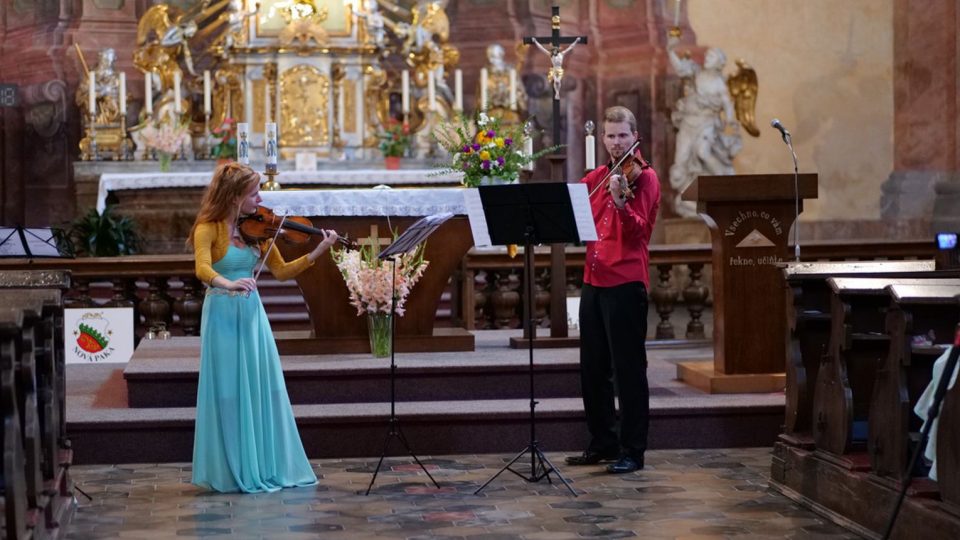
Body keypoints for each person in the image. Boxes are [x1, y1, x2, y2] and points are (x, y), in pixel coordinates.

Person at [188, 162, 339, 493]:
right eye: (254, 193)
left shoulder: (256, 230)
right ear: (234, 197)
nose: (260, 199)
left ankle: (263, 462)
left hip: (253, 317)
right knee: (228, 390)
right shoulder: (207, 229)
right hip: (222, 315)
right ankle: (231, 468)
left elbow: (283, 272)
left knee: (260, 388)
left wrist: (319, 249)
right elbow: (201, 268)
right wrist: (228, 283)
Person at [566, 106, 660, 474]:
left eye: (623, 135)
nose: (616, 142)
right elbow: (573, 213)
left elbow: (639, 233)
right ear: (602, 138)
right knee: (593, 369)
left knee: (628, 370)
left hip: (626, 281)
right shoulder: (597, 177)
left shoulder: (645, 178)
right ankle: (603, 442)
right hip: (593, 280)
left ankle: (633, 451)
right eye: (611, 135)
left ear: (634, 136)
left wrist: (622, 204)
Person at [666, 34, 741, 218]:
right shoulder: (696, 72)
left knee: (702, 152)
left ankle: (725, 186)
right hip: (687, 123)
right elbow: (680, 68)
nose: (706, 58)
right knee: (681, 162)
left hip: (706, 124)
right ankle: (691, 197)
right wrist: (670, 50)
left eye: (711, 57)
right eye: (707, 56)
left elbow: (727, 105)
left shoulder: (720, 84)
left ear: (719, 63)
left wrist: (731, 122)